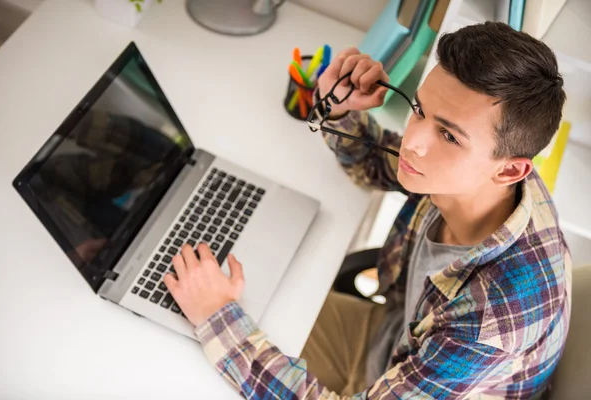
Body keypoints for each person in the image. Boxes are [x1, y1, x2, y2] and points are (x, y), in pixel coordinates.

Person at [163, 22, 571, 399]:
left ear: (511, 169)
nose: (413, 142)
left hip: (422, 373)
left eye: (448, 134)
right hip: (394, 338)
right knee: (188, 325)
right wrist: (341, 108)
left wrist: (218, 316)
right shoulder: (484, 178)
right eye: (419, 110)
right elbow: (379, 166)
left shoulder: (493, 320)